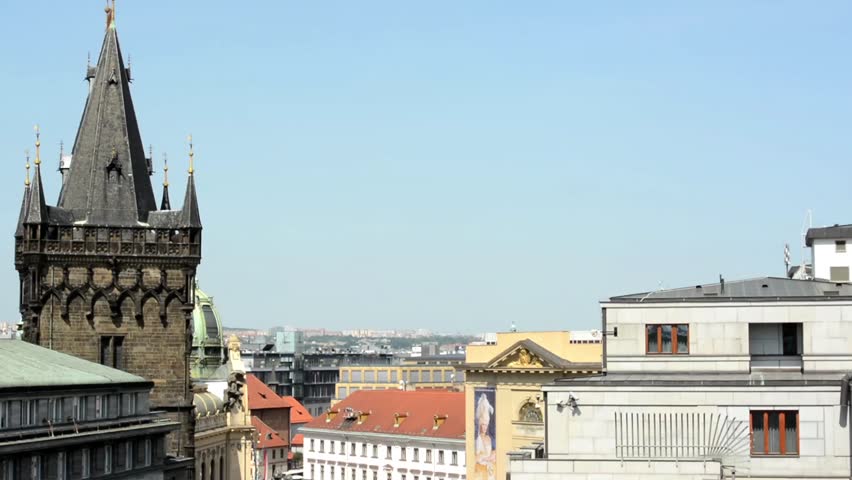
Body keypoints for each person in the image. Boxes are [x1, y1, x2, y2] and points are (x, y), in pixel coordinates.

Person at [474, 392, 496, 480]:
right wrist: (486, 458)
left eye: (486, 425)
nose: (485, 427)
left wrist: (493, 456)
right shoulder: (478, 439)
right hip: (481, 470)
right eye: (483, 424)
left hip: (490, 470)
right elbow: (477, 457)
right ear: (480, 425)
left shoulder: (489, 438)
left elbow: (493, 453)